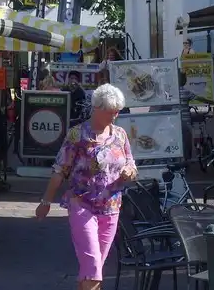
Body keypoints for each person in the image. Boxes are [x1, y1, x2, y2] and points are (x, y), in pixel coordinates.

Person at [36, 84, 137, 290]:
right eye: (110, 112)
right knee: (93, 267)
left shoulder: (120, 135)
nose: (114, 116)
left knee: (94, 268)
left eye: (117, 111)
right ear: (97, 108)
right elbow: (59, 169)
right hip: (82, 205)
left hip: (111, 208)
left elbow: (131, 164)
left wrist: (129, 171)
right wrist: (46, 201)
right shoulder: (78, 135)